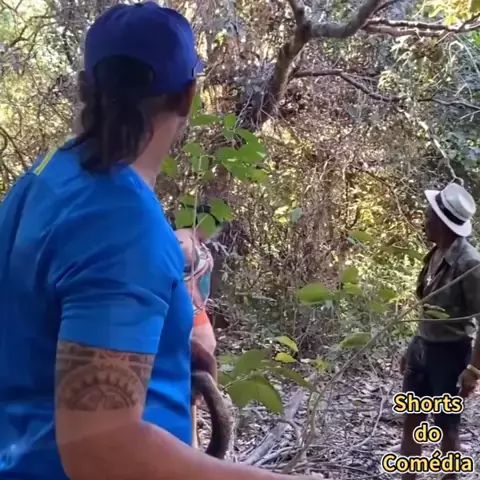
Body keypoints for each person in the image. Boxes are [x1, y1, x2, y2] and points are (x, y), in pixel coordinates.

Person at [0, 3, 312, 479]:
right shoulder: (121, 222)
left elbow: (41, 317)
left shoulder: (45, 176)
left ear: (86, 87)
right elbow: (101, 449)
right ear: (188, 96)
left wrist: (162, 346)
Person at [400, 182, 480, 480]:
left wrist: (473, 369)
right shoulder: (435, 254)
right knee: (412, 422)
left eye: (429, 216)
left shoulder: (469, 264)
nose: (424, 221)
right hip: (423, 349)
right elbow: (428, 309)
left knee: (446, 429)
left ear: (443, 224)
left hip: (451, 355)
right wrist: (413, 347)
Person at [175, 204, 221, 448]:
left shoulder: (199, 243)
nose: (215, 231)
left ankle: (193, 436)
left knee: (197, 372)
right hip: (185, 310)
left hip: (197, 310)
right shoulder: (183, 239)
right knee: (188, 373)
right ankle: (188, 438)